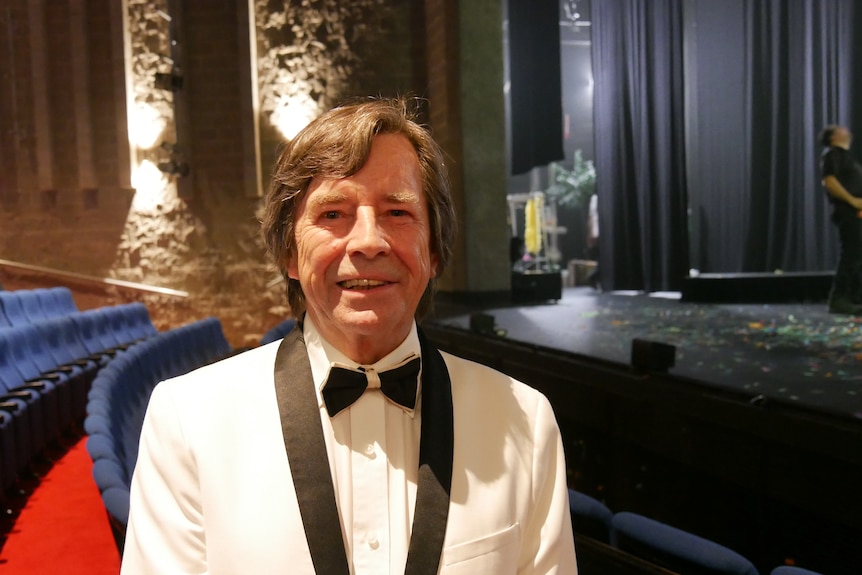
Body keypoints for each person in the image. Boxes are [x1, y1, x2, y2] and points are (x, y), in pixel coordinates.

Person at [120, 97, 577, 574]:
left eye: (397, 212)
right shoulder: (188, 420)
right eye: (333, 214)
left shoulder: (525, 420)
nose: (367, 241)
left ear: (435, 249)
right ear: (290, 255)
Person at [820, 124, 862, 314]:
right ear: (833, 137)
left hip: (855, 211)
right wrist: (852, 201)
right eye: (840, 129)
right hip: (847, 210)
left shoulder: (846, 157)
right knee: (851, 253)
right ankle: (838, 299)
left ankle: (853, 297)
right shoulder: (832, 154)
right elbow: (829, 181)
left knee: (857, 254)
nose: (847, 129)